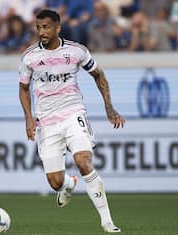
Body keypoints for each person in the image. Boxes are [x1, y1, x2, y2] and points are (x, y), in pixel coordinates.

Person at [18, 9, 124, 233]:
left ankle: (107, 221)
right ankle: (68, 184)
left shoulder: (76, 51)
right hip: (46, 122)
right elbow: (24, 89)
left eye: (46, 27)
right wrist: (28, 118)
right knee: (55, 182)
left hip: (73, 113)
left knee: (84, 161)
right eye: (38, 27)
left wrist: (110, 108)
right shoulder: (29, 57)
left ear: (58, 28)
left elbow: (99, 75)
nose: (41, 32)